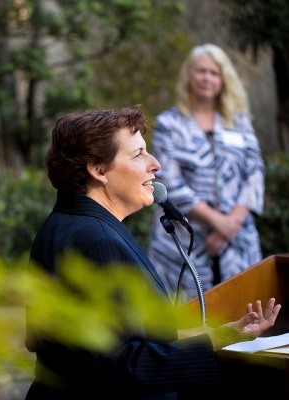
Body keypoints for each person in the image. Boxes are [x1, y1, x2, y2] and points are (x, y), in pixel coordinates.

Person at [24, 107, 280, 399]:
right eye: (138, 154)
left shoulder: (63, 222)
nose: (155, 164)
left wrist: (224, 334)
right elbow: (120, 367)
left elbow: (129, 342)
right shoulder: (98, 241)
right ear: (98, 170)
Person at [147, 44, 265, 300]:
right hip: (183, 236)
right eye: (201, 71)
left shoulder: (239, 121)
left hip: (237, 236)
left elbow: (255, 173)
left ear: (223, 79)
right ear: (189, 75)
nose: (207, 78)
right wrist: (217, 222)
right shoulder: (169, 124)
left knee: (244, 311)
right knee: (187, 324)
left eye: (214, 72)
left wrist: (229, 225)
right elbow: (169, 182)